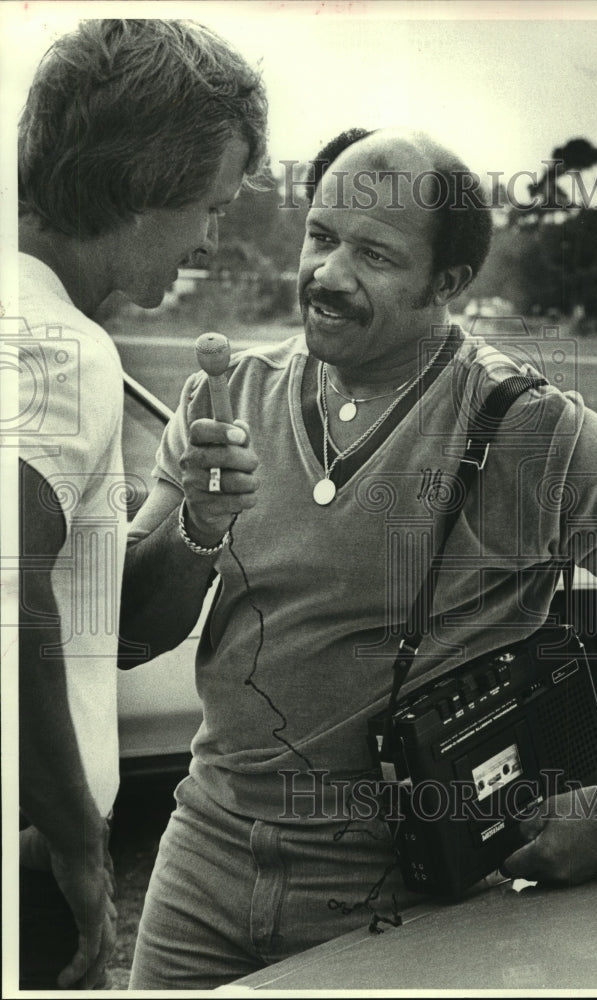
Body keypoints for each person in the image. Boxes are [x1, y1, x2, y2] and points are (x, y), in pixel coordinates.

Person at [120, 127, 597, 990]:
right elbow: (132, 637)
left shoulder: (527, 427)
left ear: (445, 284)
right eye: (321, 236)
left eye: (372, 254)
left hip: (418, 908)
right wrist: (199, 528)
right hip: (201, 870)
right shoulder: (230, 398)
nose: (327, 274)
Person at [14, 18, 267, 990]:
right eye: (212, 204)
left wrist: (197, 515)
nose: (211, 237)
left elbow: (96, 624)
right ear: (144, 183)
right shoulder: (56, 344)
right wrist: (79, 841)